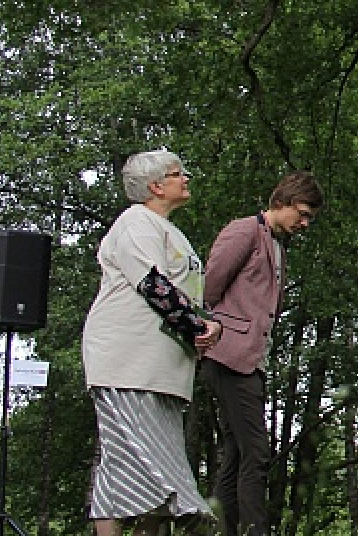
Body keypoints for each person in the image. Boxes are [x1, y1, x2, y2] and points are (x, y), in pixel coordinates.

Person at [83, 149, 223, 536]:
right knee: (145, 460)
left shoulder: (170, 231)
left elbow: (185, 292)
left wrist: (205, 325)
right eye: (179, 174)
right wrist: (197, 327)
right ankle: (187, 508)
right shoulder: (136, 224)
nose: (187, 178)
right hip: (128, 362)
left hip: (163, 366)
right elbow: (154, 286)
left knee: (125, 466)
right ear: (155, 186)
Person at [202, 171, 325, 536]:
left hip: (251, 361)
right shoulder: (244, 231)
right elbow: (208, 288)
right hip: (228, 357)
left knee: (238, 453)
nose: (304, 223)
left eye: (309, 219)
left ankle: (226, 529)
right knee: (256, 452)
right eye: (301, 214)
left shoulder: (278, 244)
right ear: (280, 202)